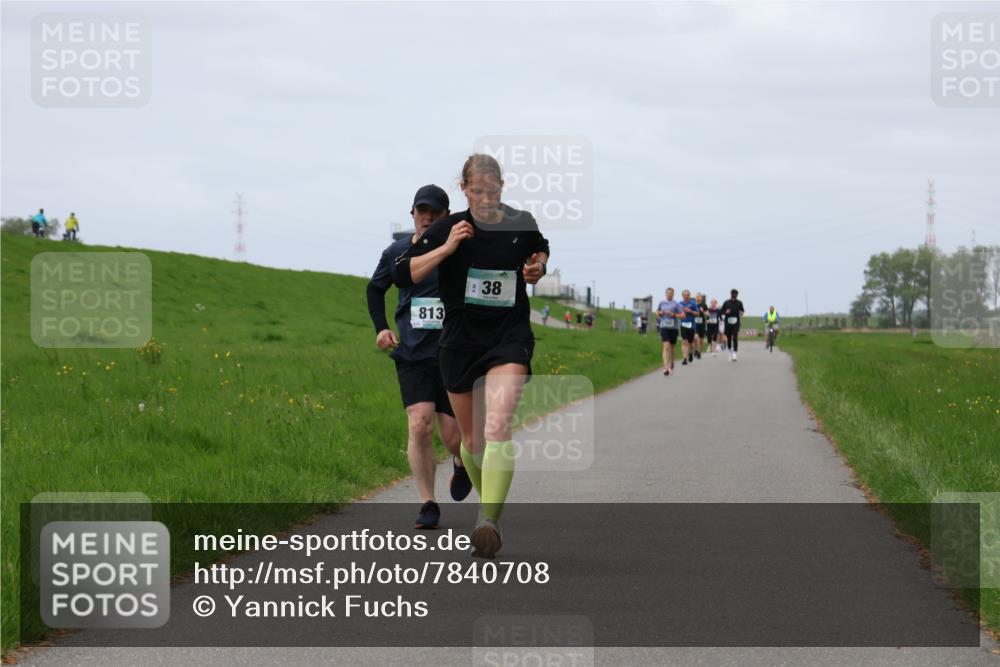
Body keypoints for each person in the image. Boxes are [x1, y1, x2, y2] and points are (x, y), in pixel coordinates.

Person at [392, 154, 550, 559]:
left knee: (498, 425)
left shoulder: (522, 222)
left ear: (502, 187)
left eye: (491, 190)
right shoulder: (448, 227)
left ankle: (488, 522)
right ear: (463, 189)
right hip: (460, 342)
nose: (484, 198)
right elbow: (405, 273)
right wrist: (447, 248)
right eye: (476, 191)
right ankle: (489, 502)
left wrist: (538, 267)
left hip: (508, 337)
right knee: (471, 441)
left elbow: (539, 249)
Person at [367, 184, 468, 530]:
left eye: (434, 213)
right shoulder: (396, 252)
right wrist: (381, 327)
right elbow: (375, 288)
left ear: (446, 217)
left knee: (454, 437)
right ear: (412, 213)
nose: (426, 218)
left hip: (453, 354)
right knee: (420, 424)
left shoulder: (461, 251)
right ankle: (428, 502)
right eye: (421, 211)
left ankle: (459, 460)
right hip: (412, 353)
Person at [656, 288, 683, 375]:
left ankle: (672, 363)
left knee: (671, 348)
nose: (669, 295)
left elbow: (683, 315)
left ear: (673, 294)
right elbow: (657, 312)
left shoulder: (676, 304)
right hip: (664, 327)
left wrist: (674, 314)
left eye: (671, 293)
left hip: (673, 328)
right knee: (666, 346)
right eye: (668, 293)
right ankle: (665, 368)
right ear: (665, 294)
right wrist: (660, 313)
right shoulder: (661, 303)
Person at [720, 288, 746, 361]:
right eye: (732, 294)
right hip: (728, 322)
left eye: (735, 294)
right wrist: (726, 312)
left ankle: (734, 352)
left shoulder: (739, 303)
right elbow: (721, 311)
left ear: (737, 295)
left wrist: (741, 313)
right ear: (730, 294)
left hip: (736, 322)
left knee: (735, 336)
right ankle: (730, 350)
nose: (733, 295)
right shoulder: (726, 302)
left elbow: (742, 311)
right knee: (728, 337)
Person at [679, 289, 698, 365]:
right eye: (684, 295)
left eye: (687, 295)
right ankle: (684, 358)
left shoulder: (693, 303)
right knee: (684, 341)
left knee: (691, 342)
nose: (686, 297)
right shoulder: (680, 304)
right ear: (682, 296)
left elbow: (697, 314)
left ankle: (690, 354)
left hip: (691, 325)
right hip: (683, 324)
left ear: (689, 296)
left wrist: (690, 311)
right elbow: (677, 313)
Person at [693, 292, 708, 359]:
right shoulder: (693, 304)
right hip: (695, 323)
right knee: (696, 337)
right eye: (697, 296)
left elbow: (708, 314)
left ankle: (699, 352)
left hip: (701, 324)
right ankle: (696, 350)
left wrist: (703, 311)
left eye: (699, 297)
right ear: (695, 297)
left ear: (701, 298)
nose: (698, 298)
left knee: (701, 339)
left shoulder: (704, 305)